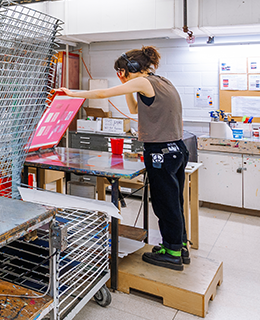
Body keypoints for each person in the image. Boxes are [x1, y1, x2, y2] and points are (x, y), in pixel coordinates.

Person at [59, 46, 189, 270]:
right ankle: (176, 246)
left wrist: (72, 93)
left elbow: (101, 94)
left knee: (165, 203)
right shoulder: (161, 81)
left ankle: (173, 254)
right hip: (175, 149)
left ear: (132, 68)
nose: (120, 76)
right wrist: (125, 85)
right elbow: (134, 108)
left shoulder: (143, 82)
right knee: (174, 201)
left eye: (121, 71)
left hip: (160, 152)